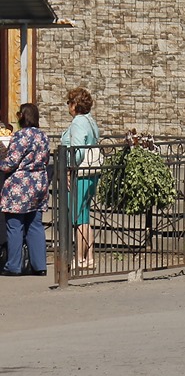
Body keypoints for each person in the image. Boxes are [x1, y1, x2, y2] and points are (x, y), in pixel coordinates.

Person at [1, 103, 51, 276]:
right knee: (35, 224)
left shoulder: (21, 136)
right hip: (39, 182)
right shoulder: (43, 136)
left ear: (22, 116)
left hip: (20, 185)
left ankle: (13, 266)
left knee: (15, 225)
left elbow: (10, 163)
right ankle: (40, 266)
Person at [63, 87, 102, 270]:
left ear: (75, 105)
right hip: (92, 171)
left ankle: (79, 258)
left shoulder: (79, 121)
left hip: (81, 172)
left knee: (78, 217)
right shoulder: (91, 121)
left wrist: (70, 169)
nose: (68, 106)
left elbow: (77, 150)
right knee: (84, 215)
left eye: (69, 103)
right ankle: (89, 258)